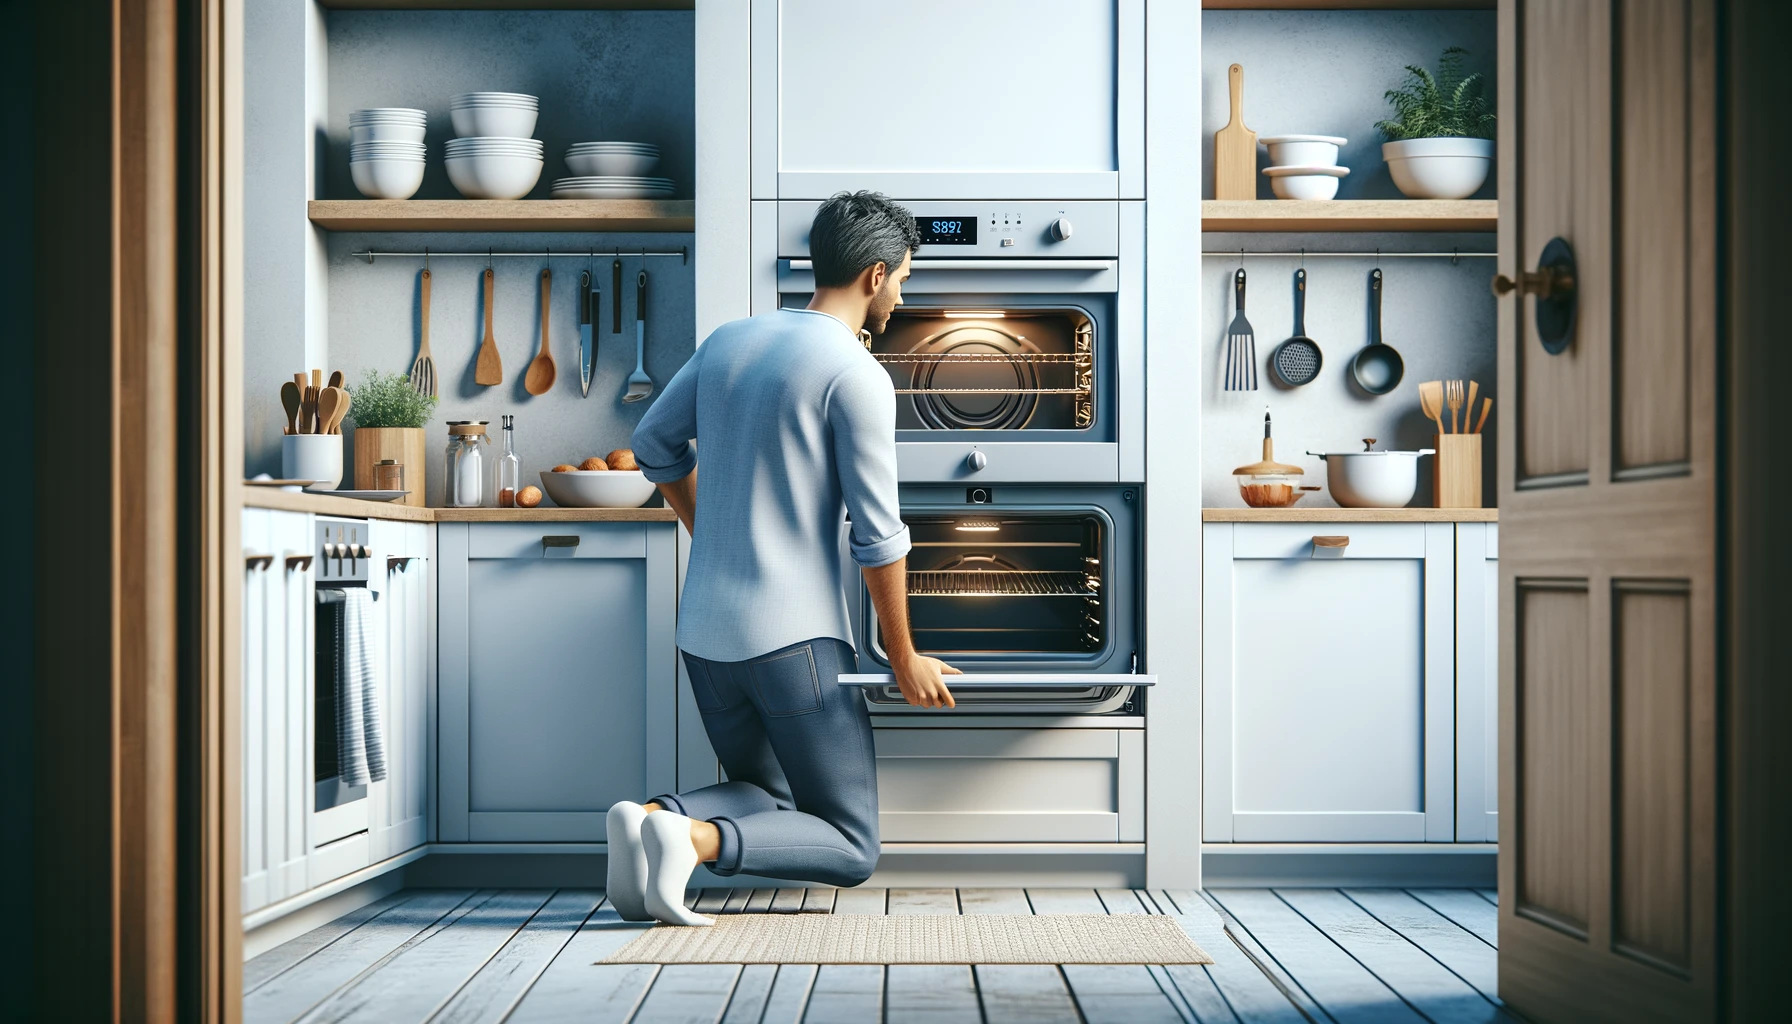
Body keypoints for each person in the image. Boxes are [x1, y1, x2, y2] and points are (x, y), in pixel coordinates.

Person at [611, 191, 960, 926]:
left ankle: (649, 819)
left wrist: (706, 530)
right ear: (873, 274)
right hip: (793, 642)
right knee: (851, 842)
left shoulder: (729, 341)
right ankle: (690, 836)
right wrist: (904, 656)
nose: (902, 293)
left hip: (703, 632)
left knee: (765, 795)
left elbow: (652, 446)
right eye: (902, 277)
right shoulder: (856, 373)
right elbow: (879, 534)